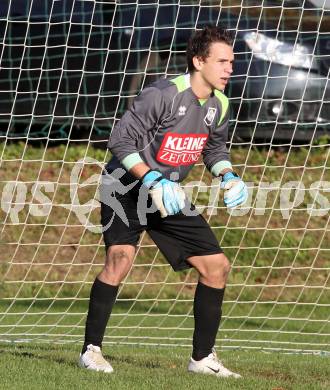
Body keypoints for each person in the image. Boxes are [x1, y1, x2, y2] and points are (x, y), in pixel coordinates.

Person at [79, 25, 248, 378]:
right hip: (125, 184)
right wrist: (152, 177)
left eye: (231, 61)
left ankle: (202, 359)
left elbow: (213, 148)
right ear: (199, 61)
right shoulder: (162, 94)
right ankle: (91, 350)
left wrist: (228, 175)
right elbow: (121, 141)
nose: (230, 68)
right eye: (222, 61)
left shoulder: (220, 104)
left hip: (168, 193)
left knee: (216, 267)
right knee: (120, 260)